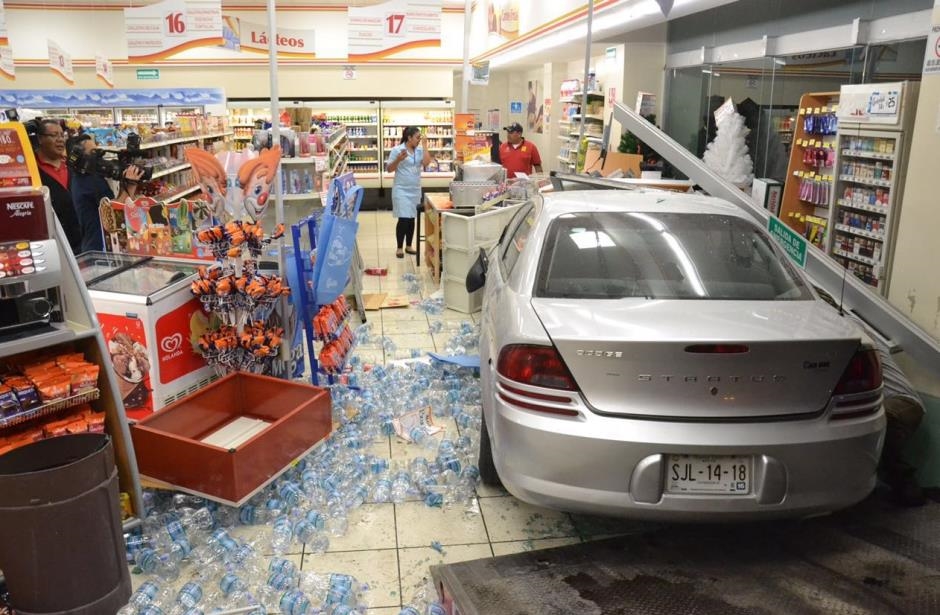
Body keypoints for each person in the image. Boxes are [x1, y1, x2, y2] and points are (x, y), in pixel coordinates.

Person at [68, 133, 142, 253]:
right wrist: (132, 184)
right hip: (101, 248)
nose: (98, 157)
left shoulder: (80, 177)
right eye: (93, 152)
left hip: (93, 245)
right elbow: (115, 212)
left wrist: (125, 183)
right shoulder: (90, 181)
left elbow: (112, 202)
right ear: (80, 156)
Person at [32, 119, 82, 254]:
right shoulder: (32, 172)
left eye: (62, 135)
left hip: (81, 246)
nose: (60, 140)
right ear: (40, 139)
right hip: (51, 247)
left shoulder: (72, 167)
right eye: (54, 135)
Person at [386, 126, 430, 259]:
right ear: (409, 138)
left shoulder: (420, 150)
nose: (418, 140)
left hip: (415, 189)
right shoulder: (397, 150)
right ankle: (399, 247)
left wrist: (425, 145)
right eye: (417, 137)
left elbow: (426, 163)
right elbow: (389, 169)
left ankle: (409, 245)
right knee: (403, 218)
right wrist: (398, 159)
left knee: (411, 218)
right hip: (401, 189)